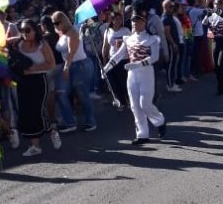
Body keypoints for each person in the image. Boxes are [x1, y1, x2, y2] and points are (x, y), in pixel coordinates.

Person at [103, 8, 166, 144]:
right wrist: (106, 68)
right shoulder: (128, 39)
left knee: (145, 103)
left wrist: (137, 64)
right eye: (132, 21)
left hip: (146, 73)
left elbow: (154, 57)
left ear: (144, 22)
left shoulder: (152, 39)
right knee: (135, 106)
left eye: (137, 21)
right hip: (132, 75)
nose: (134, 24)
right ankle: (142, 134)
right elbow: (118, 55)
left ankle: (160, 121)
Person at [11, 19, 60, 155]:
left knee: (37, 111)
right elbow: (3, 42)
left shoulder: (42, 45)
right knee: (26, 112)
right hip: (22, 81)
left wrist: (32, 69)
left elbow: (51, 64)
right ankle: (35, 145)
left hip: (38, 80)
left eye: (28, 30)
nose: (24, 33)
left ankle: (52, 130)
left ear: (34, 30)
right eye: (22, 30)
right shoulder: (19, 42)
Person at [51, 11, 97, 133]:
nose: (55, 25)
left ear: (63, 21)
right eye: (53, 23)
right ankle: (70, 122)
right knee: (61, 93)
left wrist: (66, 67)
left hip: (79, 65)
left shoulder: (72, 32)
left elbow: (71, 51)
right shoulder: (62, 33)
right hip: (69, 65)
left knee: (82, 94)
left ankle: (90, 121)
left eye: (57, 22)